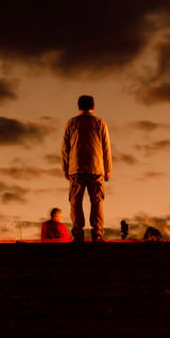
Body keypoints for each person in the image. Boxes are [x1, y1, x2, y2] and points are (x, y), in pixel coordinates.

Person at [61, 94, 112, 243]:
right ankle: (97, 233)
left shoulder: (72, 122)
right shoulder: (100, 122)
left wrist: (65, 168)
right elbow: (106, 148)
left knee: (75, 202)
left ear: (79, 106)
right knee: (97, 202)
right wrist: (108, 168)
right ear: (93, 106)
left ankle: (78, 233)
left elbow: (65, 148)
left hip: (76, 168)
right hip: (96, 168)